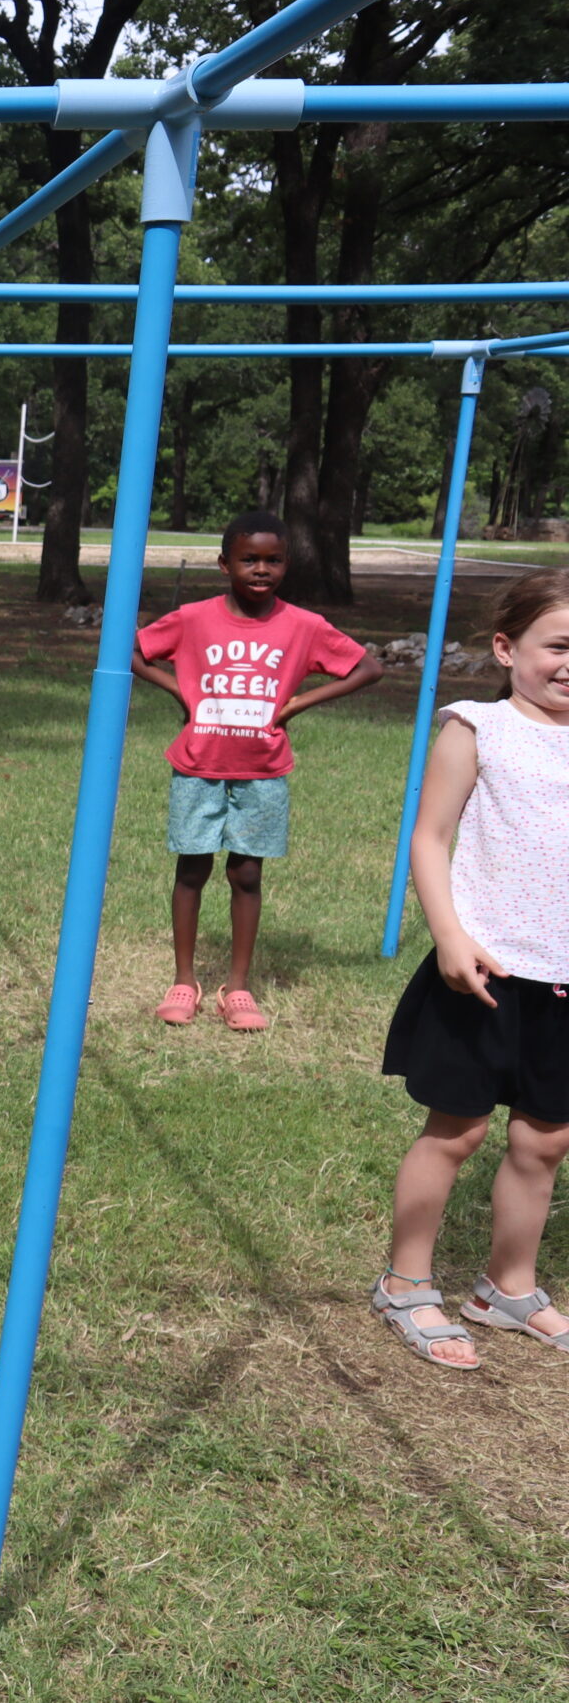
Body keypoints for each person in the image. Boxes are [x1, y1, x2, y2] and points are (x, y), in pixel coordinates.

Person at [371, 571, 569, 1370]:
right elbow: (430, 838)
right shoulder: (476, 727)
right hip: (482, 970)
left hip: (562, 977)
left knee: (545, 1139)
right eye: (558, 646)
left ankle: (506, 1286)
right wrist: (449, 936)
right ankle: (406, 1281)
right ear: (506, 648)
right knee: (457, 1129)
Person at [132, 510, 384, 1030]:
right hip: (198, 764)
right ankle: (184, 980)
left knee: (246, 873)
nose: (261, 569)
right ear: (225, 564)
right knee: (192, 868)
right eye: (249, 559)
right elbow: (133, 650)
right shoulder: (193, 618)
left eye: (273, 560)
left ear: (287, 566)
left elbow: (368, 668)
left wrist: (296, 705)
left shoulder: (303, 626)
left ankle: (238, 987)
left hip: (263, 770)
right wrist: (180, 689)